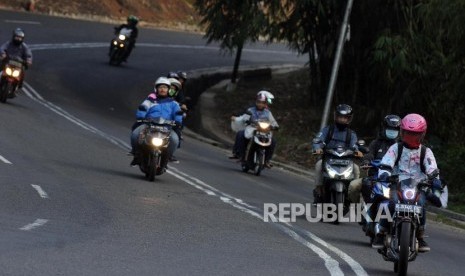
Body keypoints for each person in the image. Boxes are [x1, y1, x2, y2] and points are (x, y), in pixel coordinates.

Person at [371, 113, 445, 252]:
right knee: (390, 202)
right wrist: (385, 174)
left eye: (415, 134)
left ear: (422, 134)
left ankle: (420, 235)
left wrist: (435, 180)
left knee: (422, 204)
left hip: (417, 187)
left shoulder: (425, 151)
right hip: (397, 184)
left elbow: (432, 167)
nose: (412, 137)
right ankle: (381, 232)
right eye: (409, 133)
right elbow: (386, 163)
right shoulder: (395, 148)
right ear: (402, 132)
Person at [312, 104, 362, 204]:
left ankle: (353, 194)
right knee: (318, 165)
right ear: (335, 116)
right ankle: (319, 191)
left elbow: (355, 145)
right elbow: (318, 140)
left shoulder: (351, 134)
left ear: (349, 119)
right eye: (340, 117)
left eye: (345, 118)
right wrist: (317, 148)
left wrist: (358, 151)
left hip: (346, 161)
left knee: (356, 169)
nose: (342, 120)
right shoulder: (328, 130)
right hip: (329, 159)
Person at [348, 115, 401, 204]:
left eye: (395, 130)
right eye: (389, 128)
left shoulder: (401, 146)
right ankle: (360, 208)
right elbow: (369, 154)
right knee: (353, 186)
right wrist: (366, 161)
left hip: (394, 181)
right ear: (383, 128)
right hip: (374, 179)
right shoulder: (376, 143)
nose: (392, 132)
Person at [130, 77, 182, 166]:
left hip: (167, 127)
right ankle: (136, 154)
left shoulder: (174, 103)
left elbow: (178, 113)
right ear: (156, 89)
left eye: (165, 87)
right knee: (135, 134)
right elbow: (143, 108)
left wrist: (177, 121)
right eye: (160, 87)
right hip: (149, 125)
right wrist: (141, 117)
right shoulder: (150, 100)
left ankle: (169, 155)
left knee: (174, 139)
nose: (162, 89)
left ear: (168, 89)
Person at [230, 91, 278, 168]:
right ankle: (239, 154)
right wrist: (236, 119)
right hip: (252, 129)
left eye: (262, 103)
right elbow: (243, 118)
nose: (260, 104)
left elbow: (273, 122)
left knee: (273, 141)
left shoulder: (268, 113)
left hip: (264, 131)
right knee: (241, 134)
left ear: (265, 104)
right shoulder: (250, 110)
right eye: (259, 102)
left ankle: (267, 160)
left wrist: (275, 126)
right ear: (256, 102)